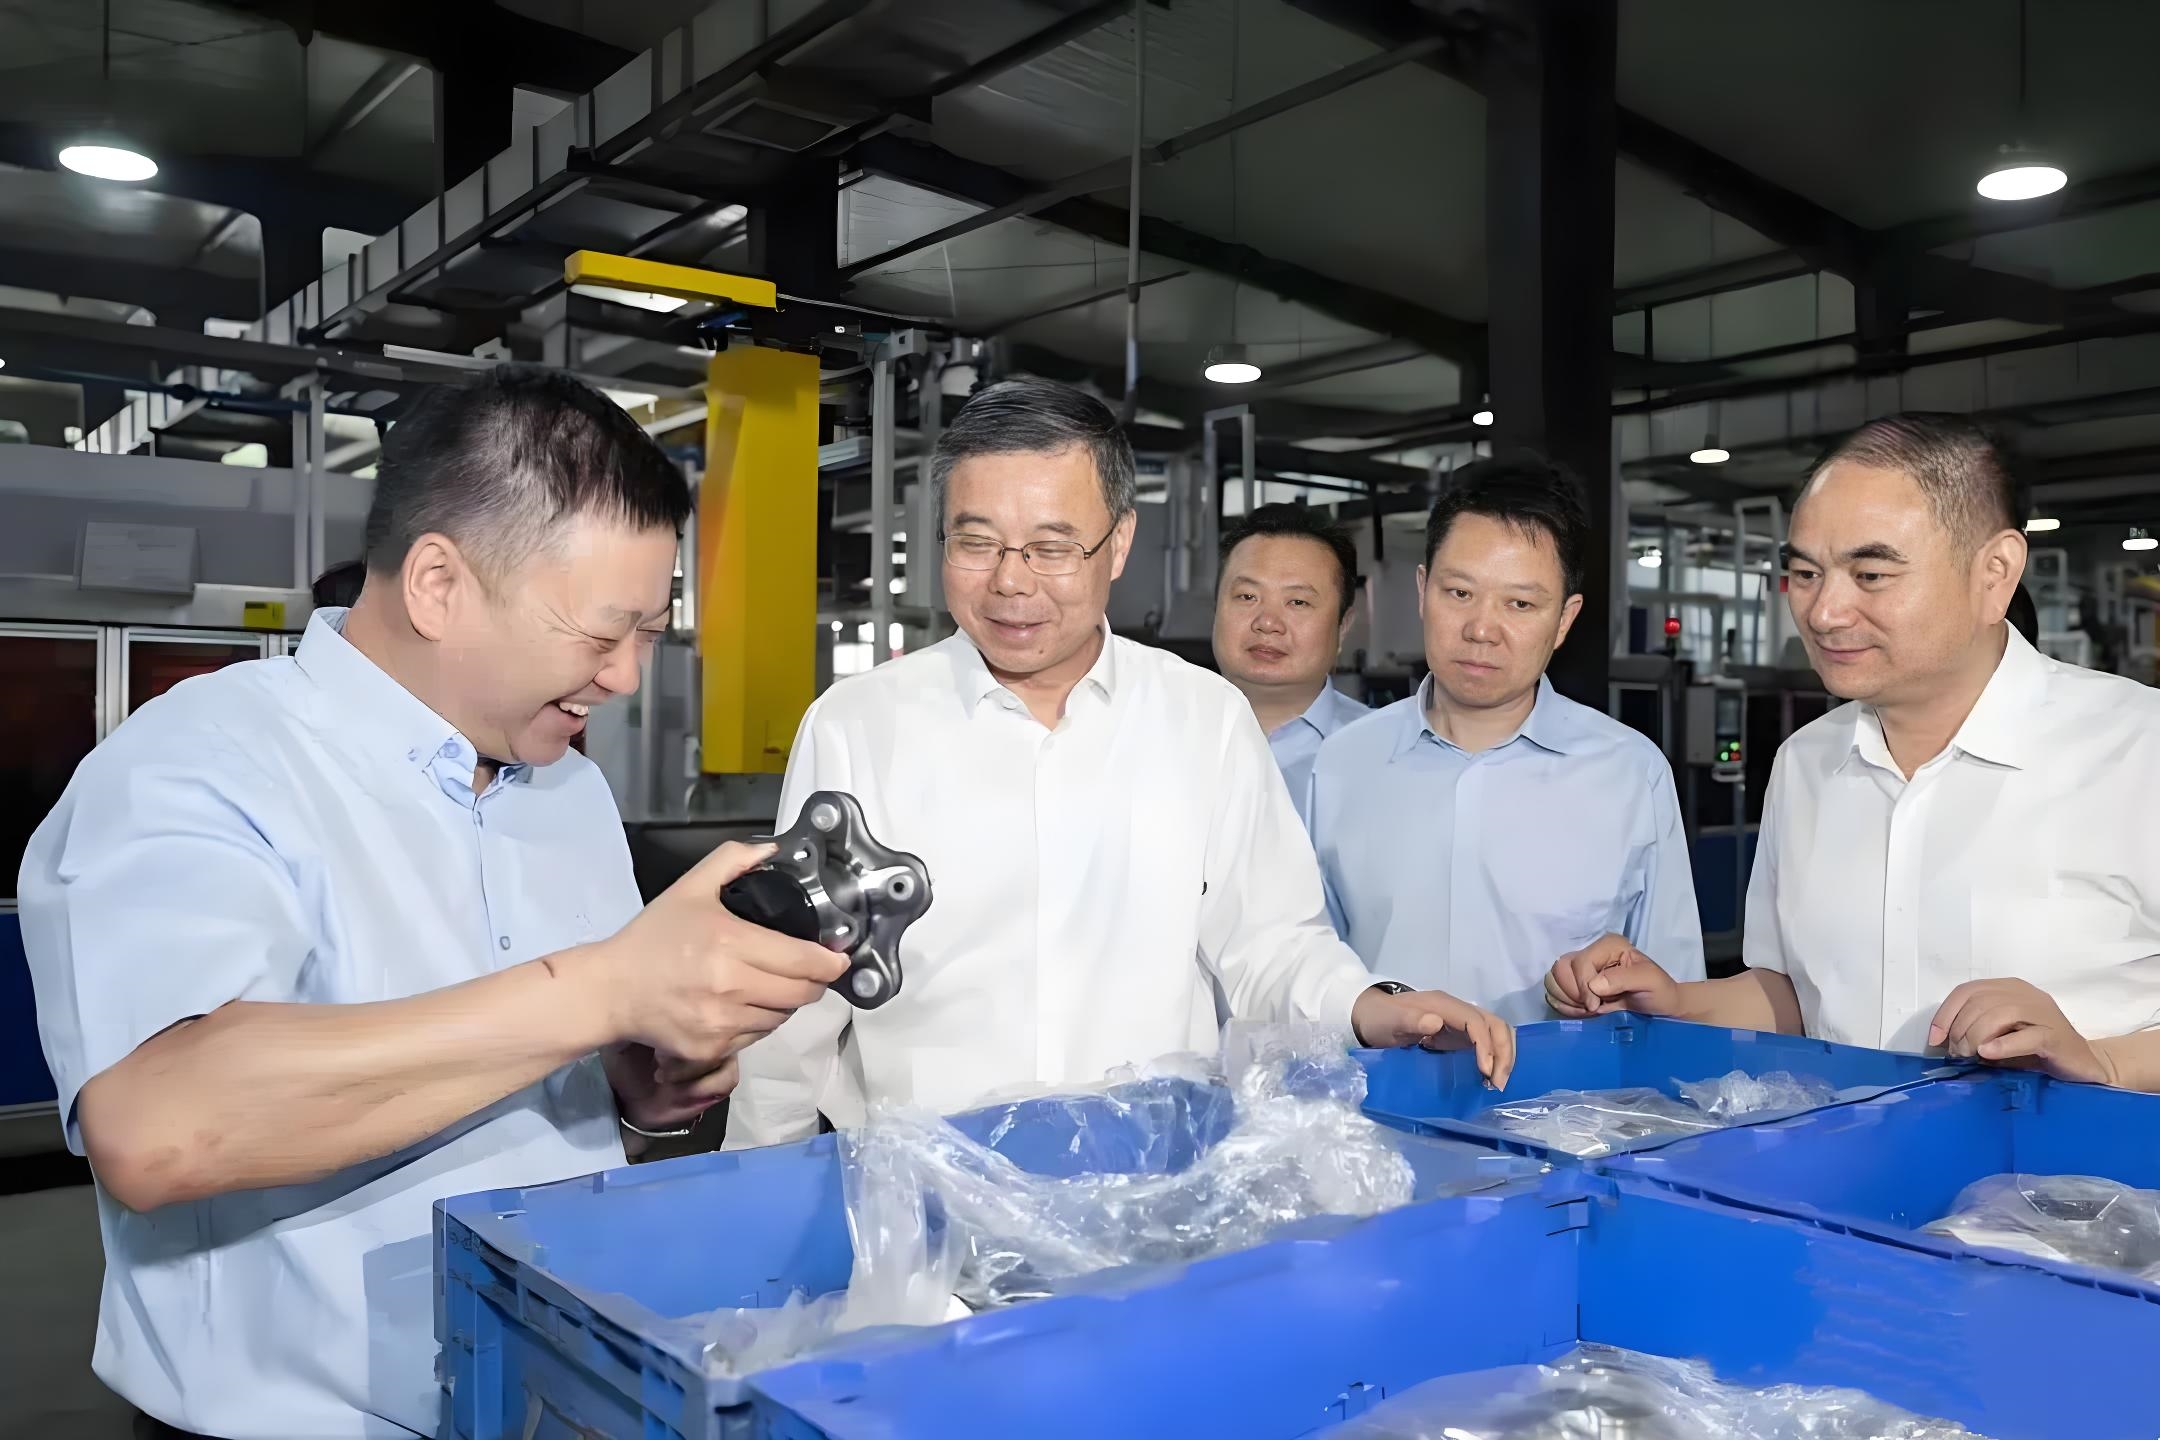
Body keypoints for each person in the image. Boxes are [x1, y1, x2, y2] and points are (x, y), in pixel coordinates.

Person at [19, 366, 846, 1440]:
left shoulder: (569, 792)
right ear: (439, 584)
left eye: (651, 632)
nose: (627, 678)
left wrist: (638, 1091)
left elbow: (555, 1091)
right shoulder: (200, 762)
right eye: (603, 633)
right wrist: (606, 988)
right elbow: (158, 1126)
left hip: (547, 1401)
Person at [724, 379, 1514, 1147]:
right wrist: (754, 1186)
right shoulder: (859, 727)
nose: (1010, 581)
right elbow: (792, 990)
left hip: (1153, 1185)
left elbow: (1270, 942)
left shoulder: (1202, 719)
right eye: (976, 543)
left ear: (1120, 543)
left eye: (1051, 547)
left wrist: (1372, 1005)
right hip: (920, 1189)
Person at [1547, 414, 2160, 1089]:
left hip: (2078, 1161)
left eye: (1870, 574)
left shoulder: (2138, 749)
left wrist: (2105, 1062)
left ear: (1994, 573)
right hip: (1845, 1155)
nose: (1823, 612)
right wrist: (1678, 1003)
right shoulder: (1806, 763)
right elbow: (1797, 995)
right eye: (1806, 573)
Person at [1308, 454, 1703, 1024]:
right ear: (1422, 590)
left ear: (1564, 619)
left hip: (1566, 1085)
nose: (1481, 630)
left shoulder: (1630, 774)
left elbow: (1675, 993)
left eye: (1520, 604)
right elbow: (1310, 971)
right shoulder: (1344, 763)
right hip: (1381, 1084)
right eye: (1459, 593)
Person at [1211, 503, 1370, 822]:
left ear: (1343, 626)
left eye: (1298, 602)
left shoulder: (1386, 753)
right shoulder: (1152, 734)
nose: (1268, 623)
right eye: (1247, 596)